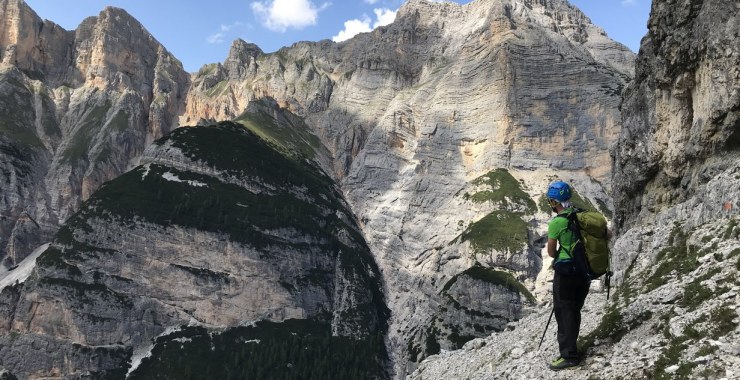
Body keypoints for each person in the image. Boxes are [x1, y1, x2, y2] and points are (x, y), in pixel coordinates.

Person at [546, 180, 590, 370]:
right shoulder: (581, 215)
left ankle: (569, 356)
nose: (551, 205)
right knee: (574, 310)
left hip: (566, 274)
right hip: (584, 272)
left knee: (564, 313)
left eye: (550, 202)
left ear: (556, 202)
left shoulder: (557, 222)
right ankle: (572, 348)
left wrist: (562, 254)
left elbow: (550, 251)